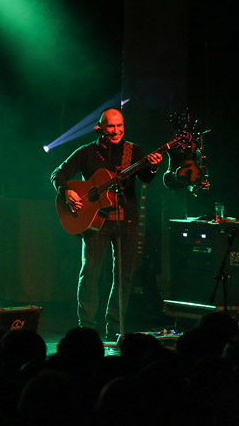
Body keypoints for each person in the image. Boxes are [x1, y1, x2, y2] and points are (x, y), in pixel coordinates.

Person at [51, 107, 162, 340]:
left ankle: (115, 327)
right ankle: (87, 329)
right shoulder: (86, 152)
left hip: (127, 221)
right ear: (100, 128)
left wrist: (153, 165)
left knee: (125, 276)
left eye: (120, 126)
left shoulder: (134, 151)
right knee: (90, 273)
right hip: (95, 222)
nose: (116, 131)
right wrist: (67, 192)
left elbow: (147, 178)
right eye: (111, 126)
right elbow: (58, 174)